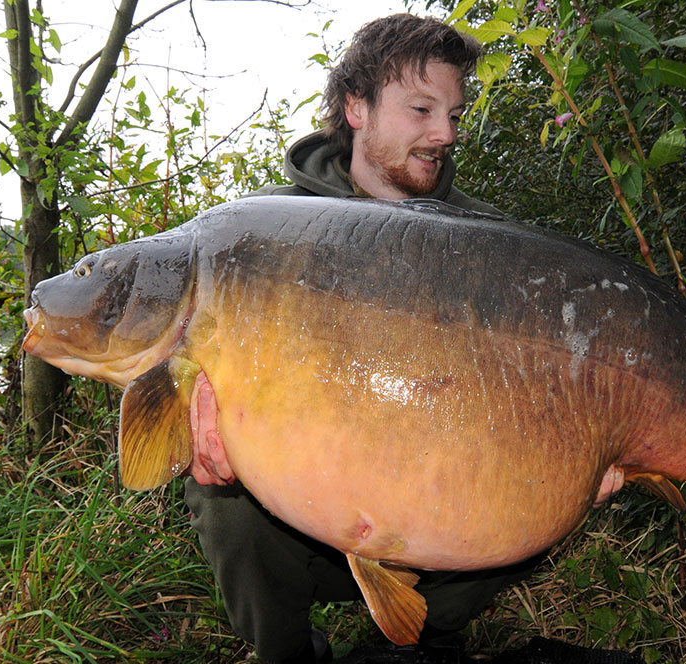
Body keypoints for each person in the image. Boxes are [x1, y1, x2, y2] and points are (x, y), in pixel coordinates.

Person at [182, 14, 541, 664]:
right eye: (422, 109)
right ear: (356, 107)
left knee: (550, 475)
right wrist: (195, 412)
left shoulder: (489, 244)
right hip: (304, 513)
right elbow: (188, 350)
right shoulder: (265, 232)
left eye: (454, 114)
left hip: (439, 498)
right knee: (222, 497)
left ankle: (430, 635)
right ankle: (288, 651)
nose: (444, 134)